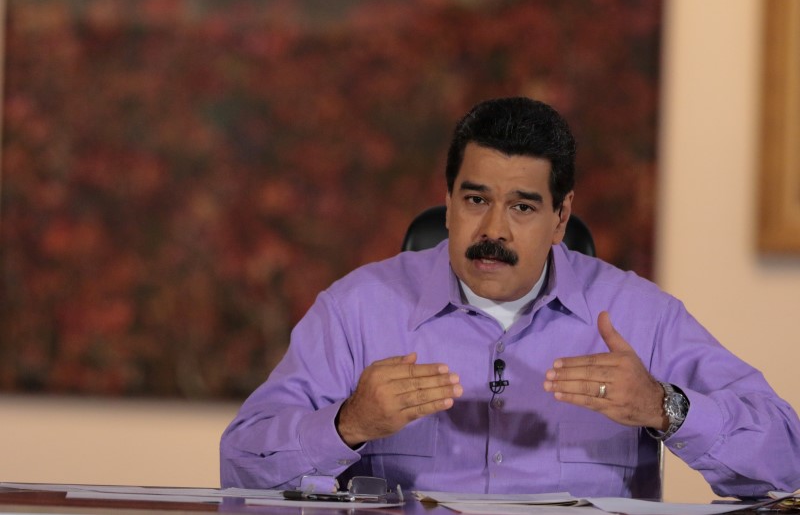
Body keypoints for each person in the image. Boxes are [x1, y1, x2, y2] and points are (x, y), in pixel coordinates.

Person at [220, 97, 800, 498]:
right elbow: (241, 464)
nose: (493, 230)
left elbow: (786, 461)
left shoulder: (637, 315)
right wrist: (347, 424)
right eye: (475, 200)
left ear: (560, 217)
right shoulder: (357, 310)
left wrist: (665, 407)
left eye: (522, 207)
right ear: (446, 203)